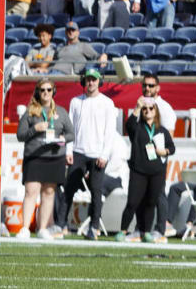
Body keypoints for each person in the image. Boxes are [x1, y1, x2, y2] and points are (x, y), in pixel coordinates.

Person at [59, 68, 115, 238]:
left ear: (99, 82)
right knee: (69, 189)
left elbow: (109, 132)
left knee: (96, 191)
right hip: (78, 151)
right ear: (84, 81)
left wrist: (104, 154)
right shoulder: (76, 102)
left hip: (97, 153)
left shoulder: (107, 103)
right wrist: (68, 150)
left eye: (94, 79)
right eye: (88, 79)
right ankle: (60, 225)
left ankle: (94, 227)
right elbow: (70, 128)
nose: (91, 83)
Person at [15, 78, 72, 239]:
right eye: (42, 90)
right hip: (35, 156)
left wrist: (62, 138)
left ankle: (43, 228)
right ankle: (25, 228)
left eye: (48, 90)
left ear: (53, 92)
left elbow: (71, 133)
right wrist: (35, 129)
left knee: (48, 192)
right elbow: (20, 135)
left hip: (55, 157)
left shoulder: (61, 112)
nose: (46, 93)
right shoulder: (30, 112)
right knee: (31, 191)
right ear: (38, 92)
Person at [120, 97, 174, 242]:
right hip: (139, 171)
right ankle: (123, 230)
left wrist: (165, 151)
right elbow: (129, 125)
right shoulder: (137, 128)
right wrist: (137, 107)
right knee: (133, 202)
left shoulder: (162, 130)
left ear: (156, 111)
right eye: (145, 109)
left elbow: (172, 147)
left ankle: (146, 232)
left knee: (151, 203)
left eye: (151, 108)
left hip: (156, 172)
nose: (147, 111)